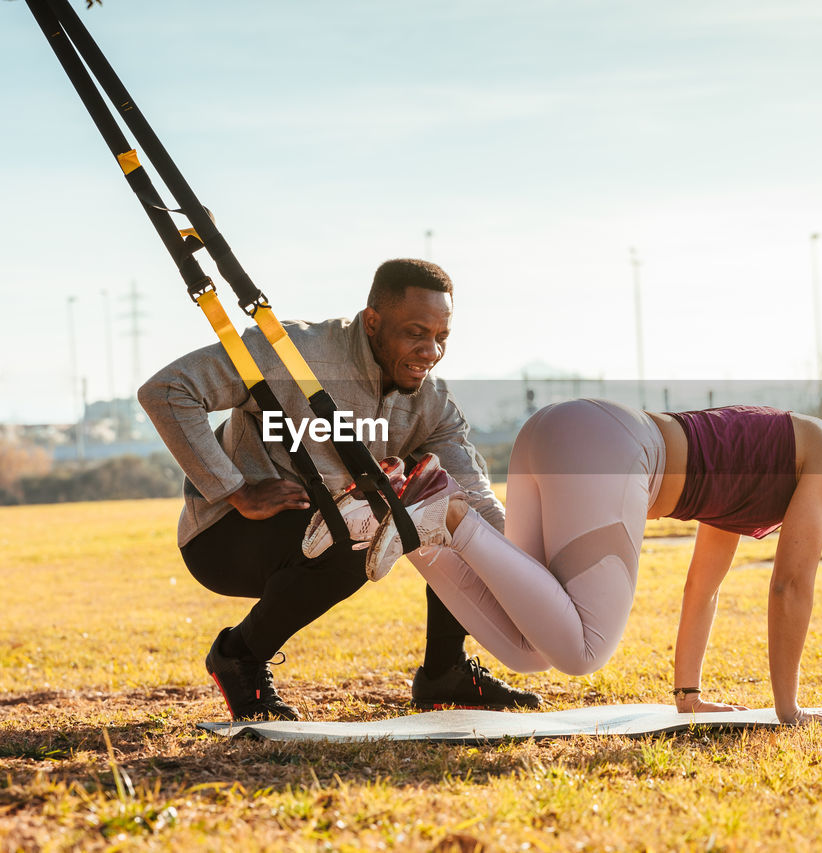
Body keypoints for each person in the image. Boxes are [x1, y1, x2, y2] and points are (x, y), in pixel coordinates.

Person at [357, 399, 822, 725]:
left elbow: (703, 589)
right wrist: (789, 710)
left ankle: (414, 521)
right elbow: (790, 586)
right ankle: (452, 516)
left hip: (564, 432)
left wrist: (687, 693)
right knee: (583, 649)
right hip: (611, 449)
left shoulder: (771, 479)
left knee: (527, 646)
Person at [137, 258, 539, 720]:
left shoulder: (432, 404)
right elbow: (168, 390)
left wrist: (518, 560)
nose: (430, 351)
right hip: (227, 536)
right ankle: (239, 656)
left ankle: (443, 671)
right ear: (373, 322)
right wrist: (235, 490)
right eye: (415, 332)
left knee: (454, 518)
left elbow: (474, 499)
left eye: (440, 337)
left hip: (334, 531)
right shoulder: (291, 351)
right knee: (353, 532)